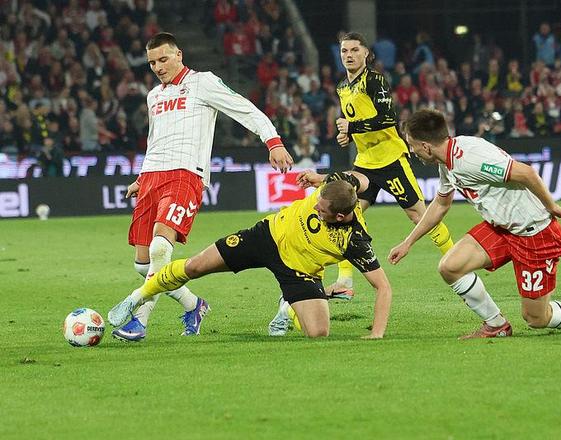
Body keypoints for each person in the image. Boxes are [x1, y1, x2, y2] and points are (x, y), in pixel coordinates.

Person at [113, 32, 293, 342]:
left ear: (179, 55)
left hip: (185, 175)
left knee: (160, 248)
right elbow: (156, 139)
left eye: (163, 59)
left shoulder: (202, 82)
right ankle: (193, 305)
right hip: (152, 176)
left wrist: (273, 142)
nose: (158, 67)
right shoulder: (153, 96)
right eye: (152, 63)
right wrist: (142, 178)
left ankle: (139, 321)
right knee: (144, 265)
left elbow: (244, 108)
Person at [108, 171, 392, 339]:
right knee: (195, 266)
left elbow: (383, 287)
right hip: (267, 236)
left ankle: (289, 305)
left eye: (322, 210)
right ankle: (137, 297)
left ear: (340, 216)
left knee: (318, 333)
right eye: (317, 201)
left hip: (300, 271)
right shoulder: (340, 185)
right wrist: (319, 178)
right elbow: (364, 179)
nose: (316, 207)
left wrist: (377, 333)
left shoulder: (356, 240)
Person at [388, 109, 561, 339]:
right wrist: (408, 242)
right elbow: (441, 204)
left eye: (412, 145)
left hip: (535, 233)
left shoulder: (470, 159)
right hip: (502, 229)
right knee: (450, 267)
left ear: (426, 146)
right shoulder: (447, 160)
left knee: (536, 318)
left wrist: (552, 206)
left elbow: (526, 173)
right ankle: (496, 325)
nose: (411, 150)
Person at [331, 31, 453, 298]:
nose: (349, 55)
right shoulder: (342, 87)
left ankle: (456, 261)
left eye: (354, 50)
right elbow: (357, 119)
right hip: (365, 162)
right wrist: (348, 134)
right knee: (346, 213)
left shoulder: (374, 80)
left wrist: (352, 127)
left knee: (419, 216)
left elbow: (387, 118)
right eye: (344, 51)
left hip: (390, 159)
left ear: (366, 53)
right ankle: (344, 282)